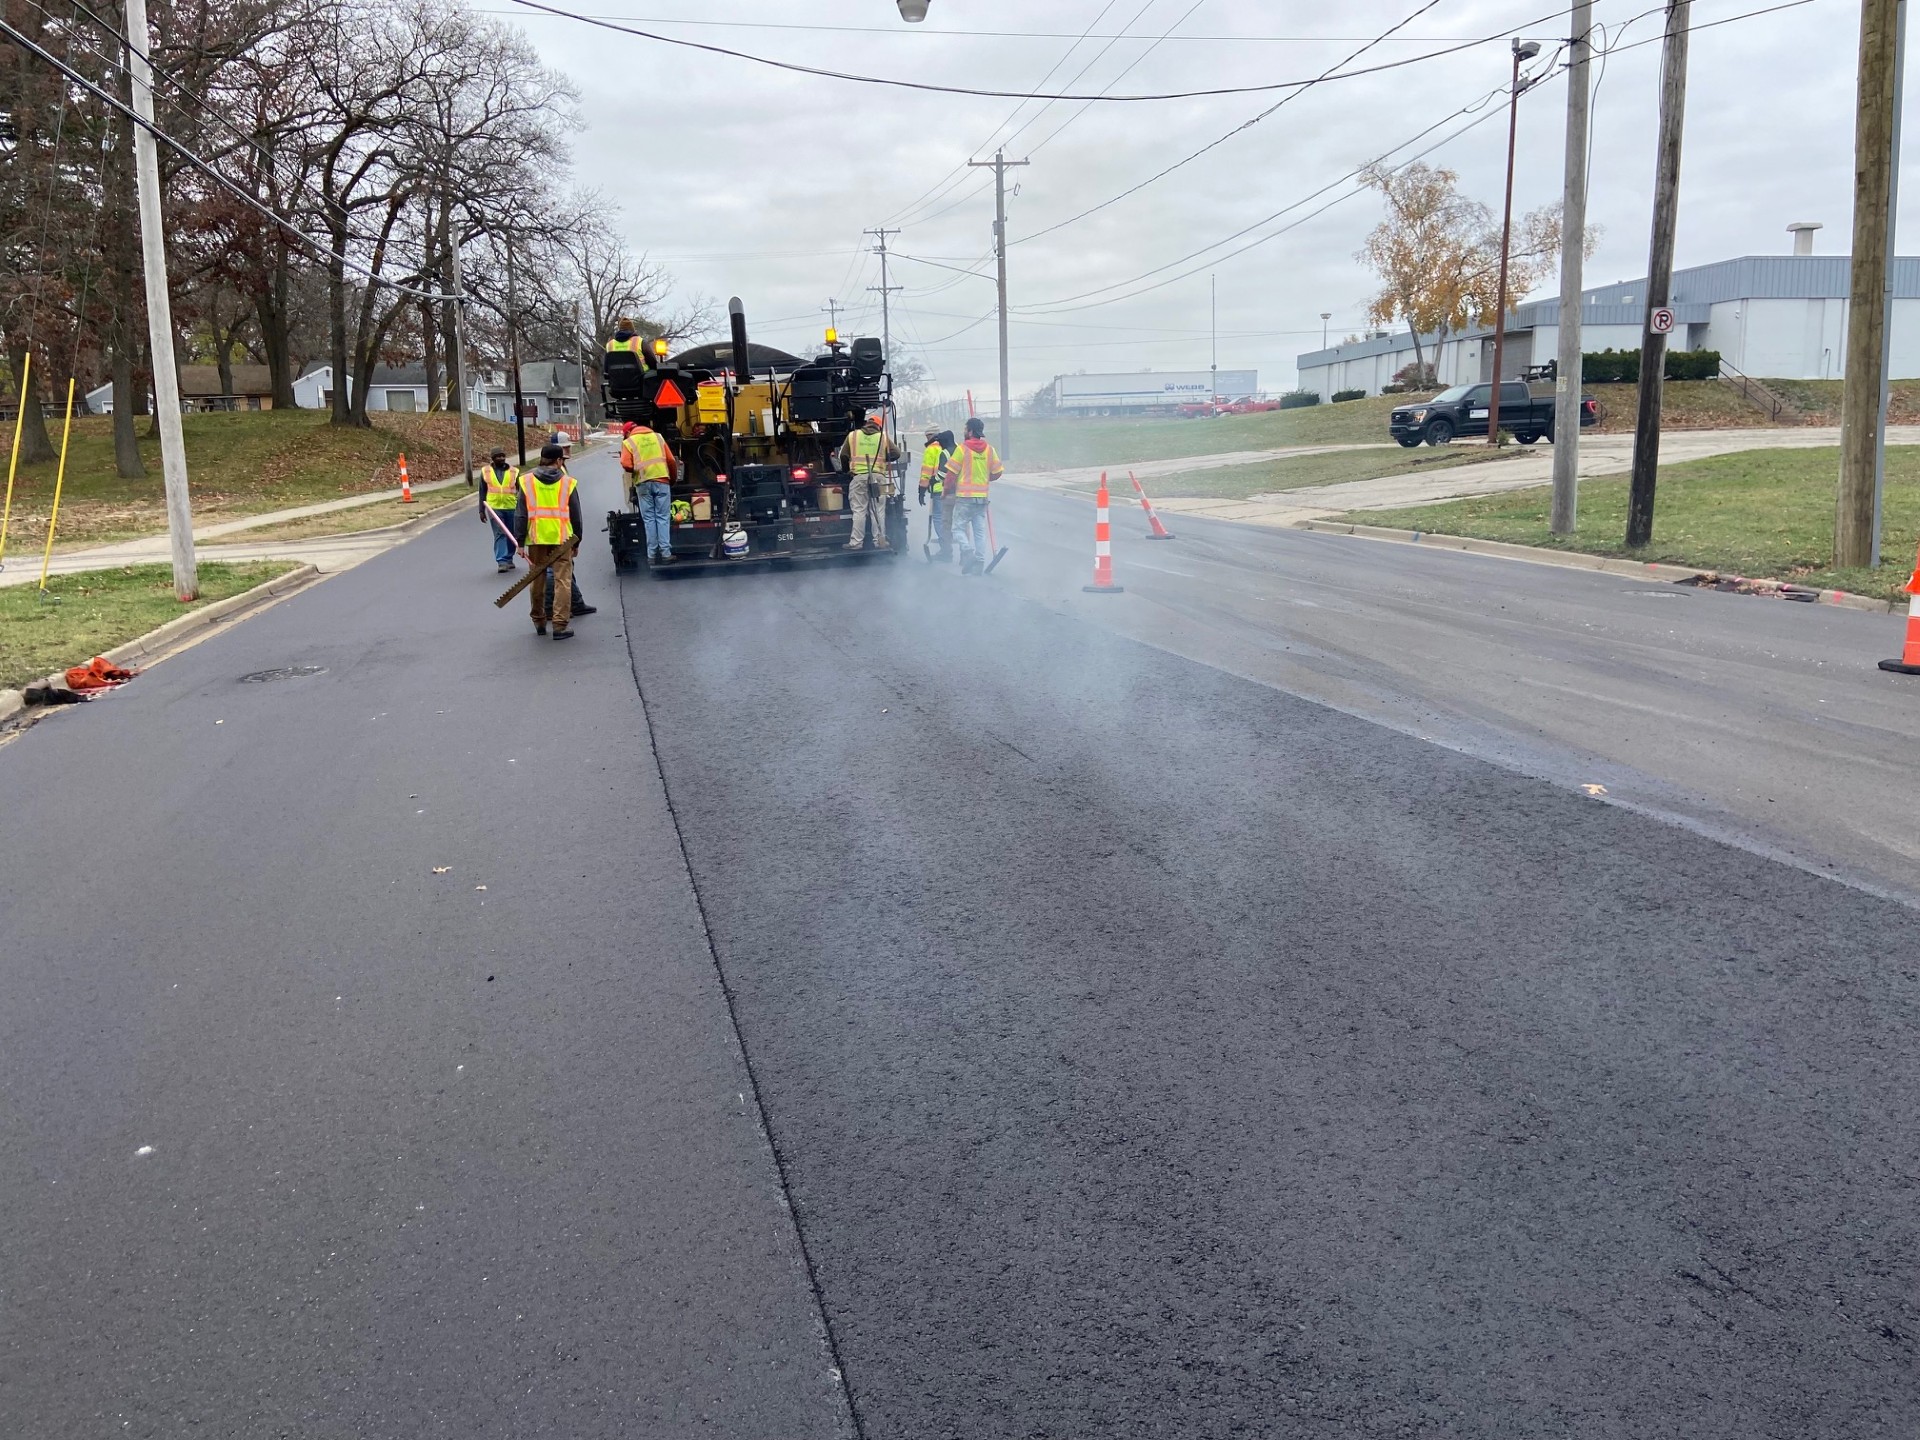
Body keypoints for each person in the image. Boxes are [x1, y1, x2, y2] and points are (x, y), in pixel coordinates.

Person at [512, 442, 585, 641]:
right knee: (563, 581)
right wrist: (577, 541)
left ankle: (539, 621)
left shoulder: (526, 481)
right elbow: (576, 516)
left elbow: (520, 515)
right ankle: (560, 626)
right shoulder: (568, 483)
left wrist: (519, 542)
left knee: (537, 580)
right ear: (559, 461)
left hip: (536, 539)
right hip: (563, 539)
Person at [942, 416, 1003, 575]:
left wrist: (946, 490)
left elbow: (951, 474)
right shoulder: (990, 449)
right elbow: (998, 472)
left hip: (964, 498)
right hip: (982, 498)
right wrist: (985, 478)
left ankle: (968, 552)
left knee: (957, 529)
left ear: (970, 431)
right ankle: (980, 563)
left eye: (965, 428)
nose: (964, 431)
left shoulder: (962, 449)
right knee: (979, 532)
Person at [838, 410, 900, 551]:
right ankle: (879, 541)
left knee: (859, 510)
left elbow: (843, 456)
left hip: (858, 477)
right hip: (878, 477)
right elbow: (896, 453)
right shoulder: (882, 437)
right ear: (879, 426)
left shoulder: (853, 436)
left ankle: (856, 543)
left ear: (867, 424)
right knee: (878, 511)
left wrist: (845, 470)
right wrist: (885, 458)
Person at [622, 420, 680, 563]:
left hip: (643, 483)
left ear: (628, 432)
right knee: (663, 517)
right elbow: (671, 461)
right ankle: (666, 554)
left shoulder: (629, 442)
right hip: (662, 482)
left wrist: (636, 469)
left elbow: (625, 463)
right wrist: (672, 479)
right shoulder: (658, 437)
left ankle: (652, 556)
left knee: (649, 519)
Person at [478, 447, 520, 572]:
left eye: (503, 456)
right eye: (498, 456)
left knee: (511, 533)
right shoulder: (485, 471)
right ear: (493, 459)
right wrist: (481, 510)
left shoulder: (514, 471)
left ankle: (509, 558)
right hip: (494, 508)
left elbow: (521, 491)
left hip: (512, 506)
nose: (501, 458)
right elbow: (482, 491)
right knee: (500, 533)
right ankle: (501, 561)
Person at [917, 425, 953, 560]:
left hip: (938, 489)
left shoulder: (931, 449)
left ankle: (946, 550)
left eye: (927, 436)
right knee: (949, 519)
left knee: (938, 519)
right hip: (952, 489)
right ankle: (957, 548)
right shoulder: (949, 447)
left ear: (931, 436)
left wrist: (922, 490)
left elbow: (926, 472)